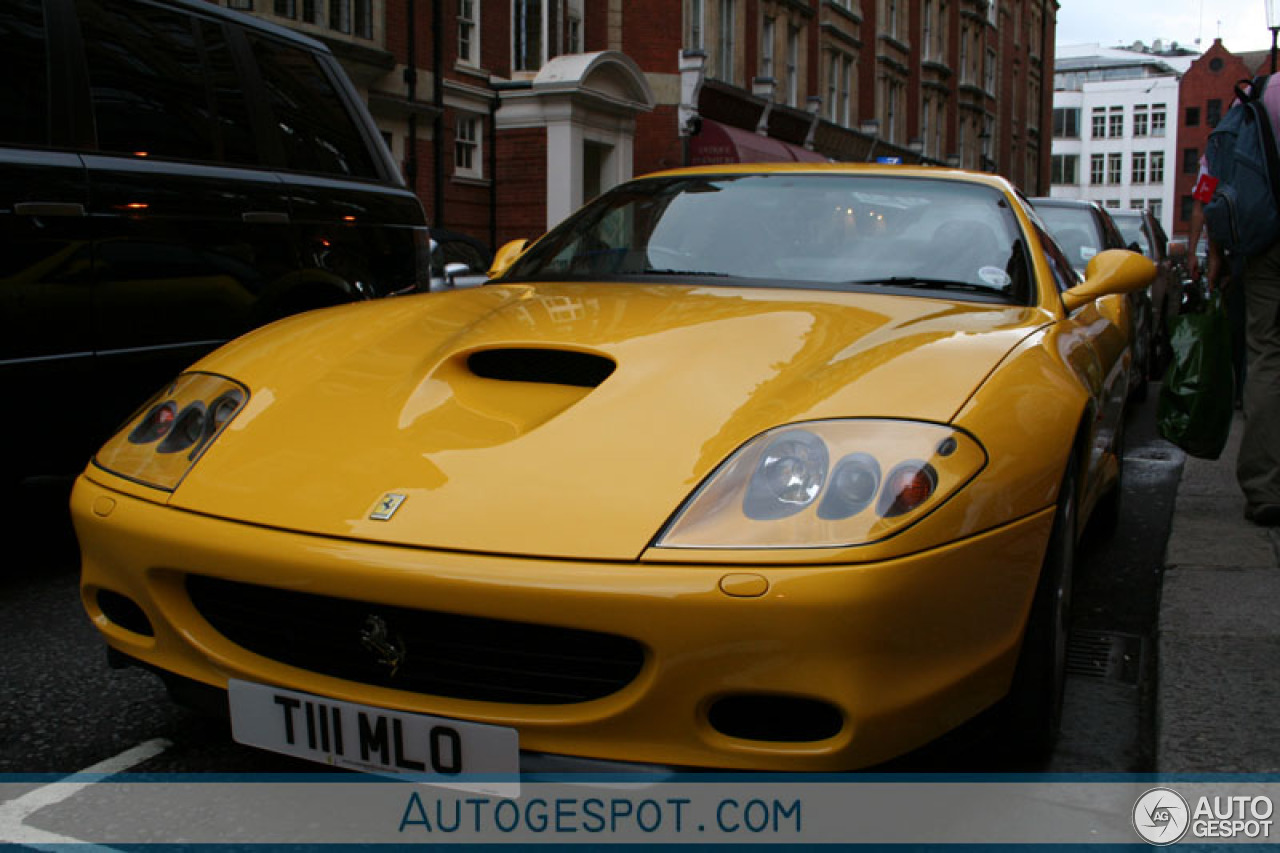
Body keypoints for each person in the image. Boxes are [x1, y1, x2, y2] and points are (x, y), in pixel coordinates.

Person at [1187, 76, 1280, 527]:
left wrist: (1213, 252)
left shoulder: (1260, 95)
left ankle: (1265, 487)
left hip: (1266, 244)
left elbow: (1212, 178)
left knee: (1267, 355)